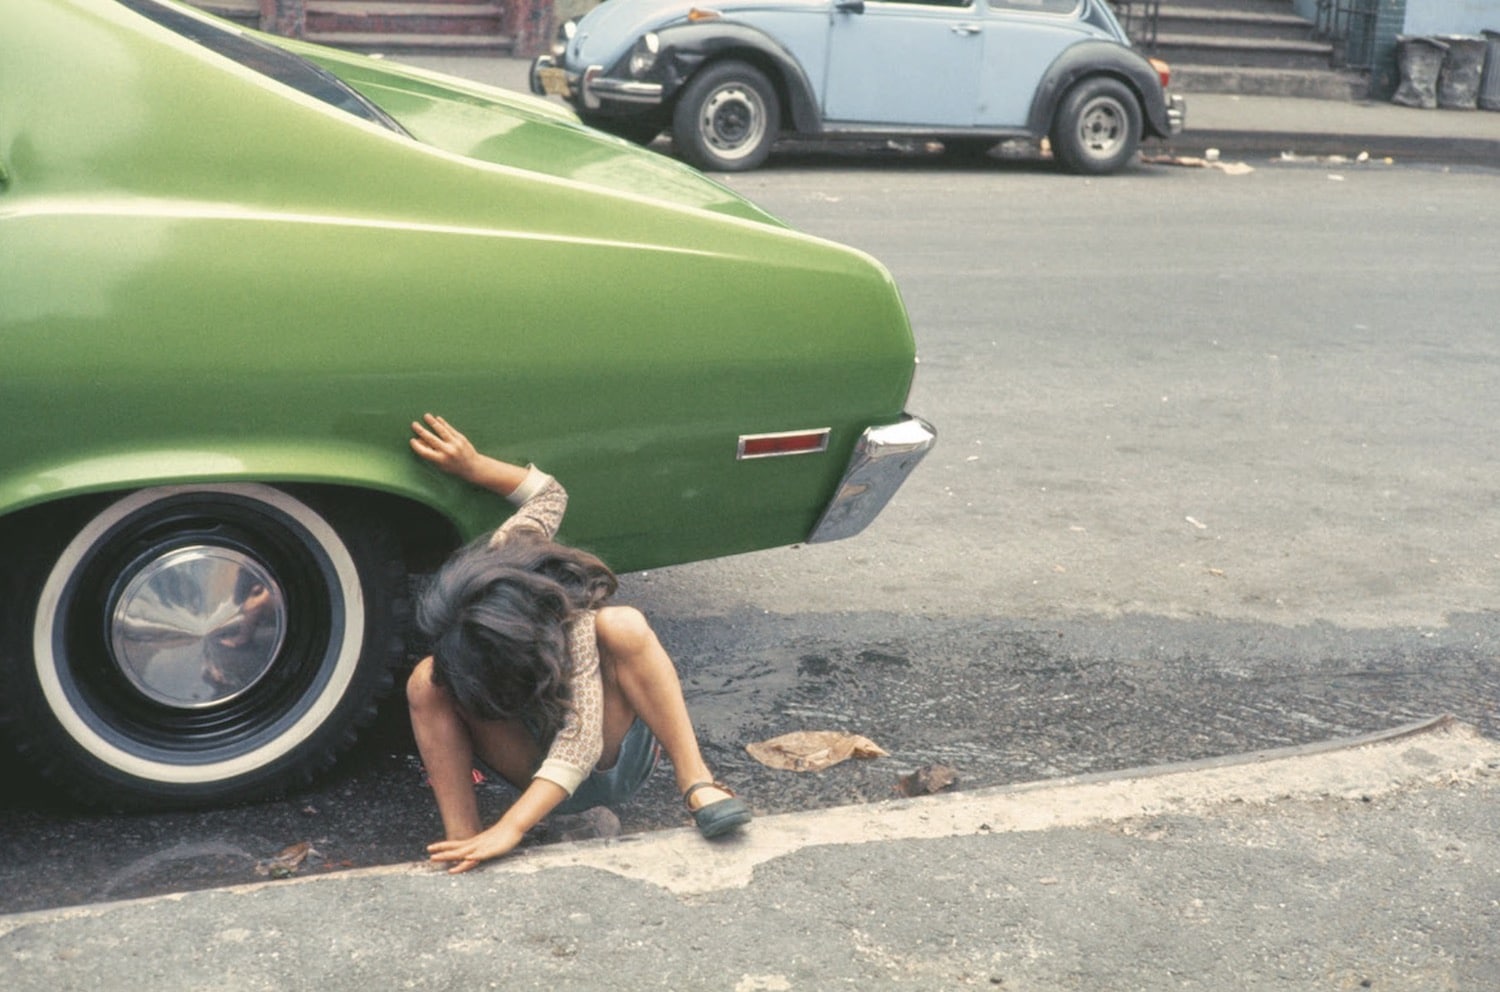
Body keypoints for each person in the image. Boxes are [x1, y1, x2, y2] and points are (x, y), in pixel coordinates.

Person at [405, 413, 751, 873]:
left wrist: (512, 827)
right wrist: (473, 466)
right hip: (526, 760)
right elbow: (549, 493)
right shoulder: (511, 551)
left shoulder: (577, 629)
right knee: (427, 678)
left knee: (624, 625)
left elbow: (580, 744)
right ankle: (463, 837)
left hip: (603, 765)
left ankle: (697, 783)